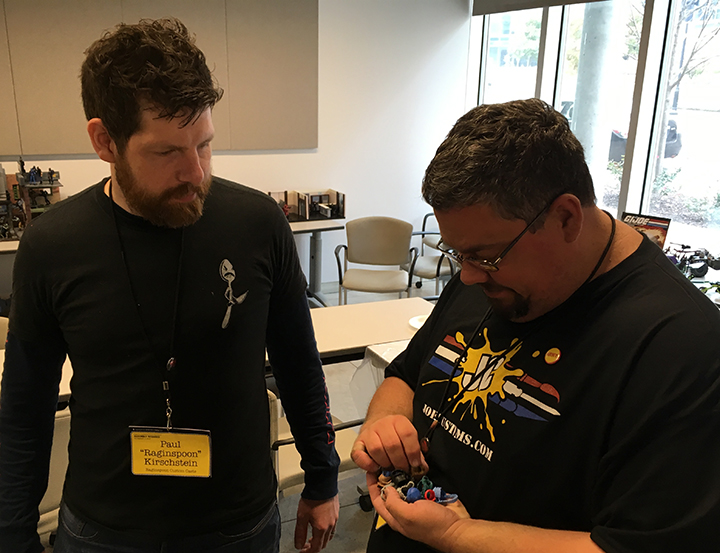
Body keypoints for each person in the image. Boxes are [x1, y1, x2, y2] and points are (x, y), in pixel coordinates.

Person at [0, 18, 339, 553]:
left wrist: (322, 476)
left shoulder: (257, 224)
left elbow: (298, 361)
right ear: (104, 141)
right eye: (167, 153)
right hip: (103, 531)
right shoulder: (52, 245)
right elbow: (25, 406)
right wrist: (12, 532)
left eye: (204, 145)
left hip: (238, 524)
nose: (196, 172)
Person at [351, 98, 720, 553]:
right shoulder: (488, 270)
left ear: (566, 217)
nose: (468, 276)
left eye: (485, 257)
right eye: (458, 254)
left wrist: (454, 535)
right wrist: (386, 419)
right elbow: (407, 375)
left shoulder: (683, 347)